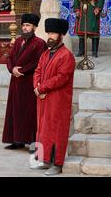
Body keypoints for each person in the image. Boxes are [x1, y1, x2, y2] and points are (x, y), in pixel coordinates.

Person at [31, 18, 75, 176]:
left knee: (57, 130)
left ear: (61, 36)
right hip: (43, 98)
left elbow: (62, 78)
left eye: (53, 33)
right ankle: (45, 160)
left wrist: (42, 87)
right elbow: (37, 71)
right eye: (48, 32)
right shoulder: (44, 54)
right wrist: (36, 87)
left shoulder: (66, 56)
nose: (50, 36)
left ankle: (57, 164)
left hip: (58, 100)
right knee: (43, 129)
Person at [2, 14, 47, 152]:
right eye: (23, 25)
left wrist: (22, 70)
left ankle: (33, 142)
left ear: (34, 27)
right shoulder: (18, 41)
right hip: (16, 82)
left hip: (28, 82)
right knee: (15, 111)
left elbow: (39, 62)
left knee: (30, 112)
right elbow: (10, 57)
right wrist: (12, 69)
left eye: (28, 25)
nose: (25, 28)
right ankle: (17, 140)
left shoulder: (40, 43)